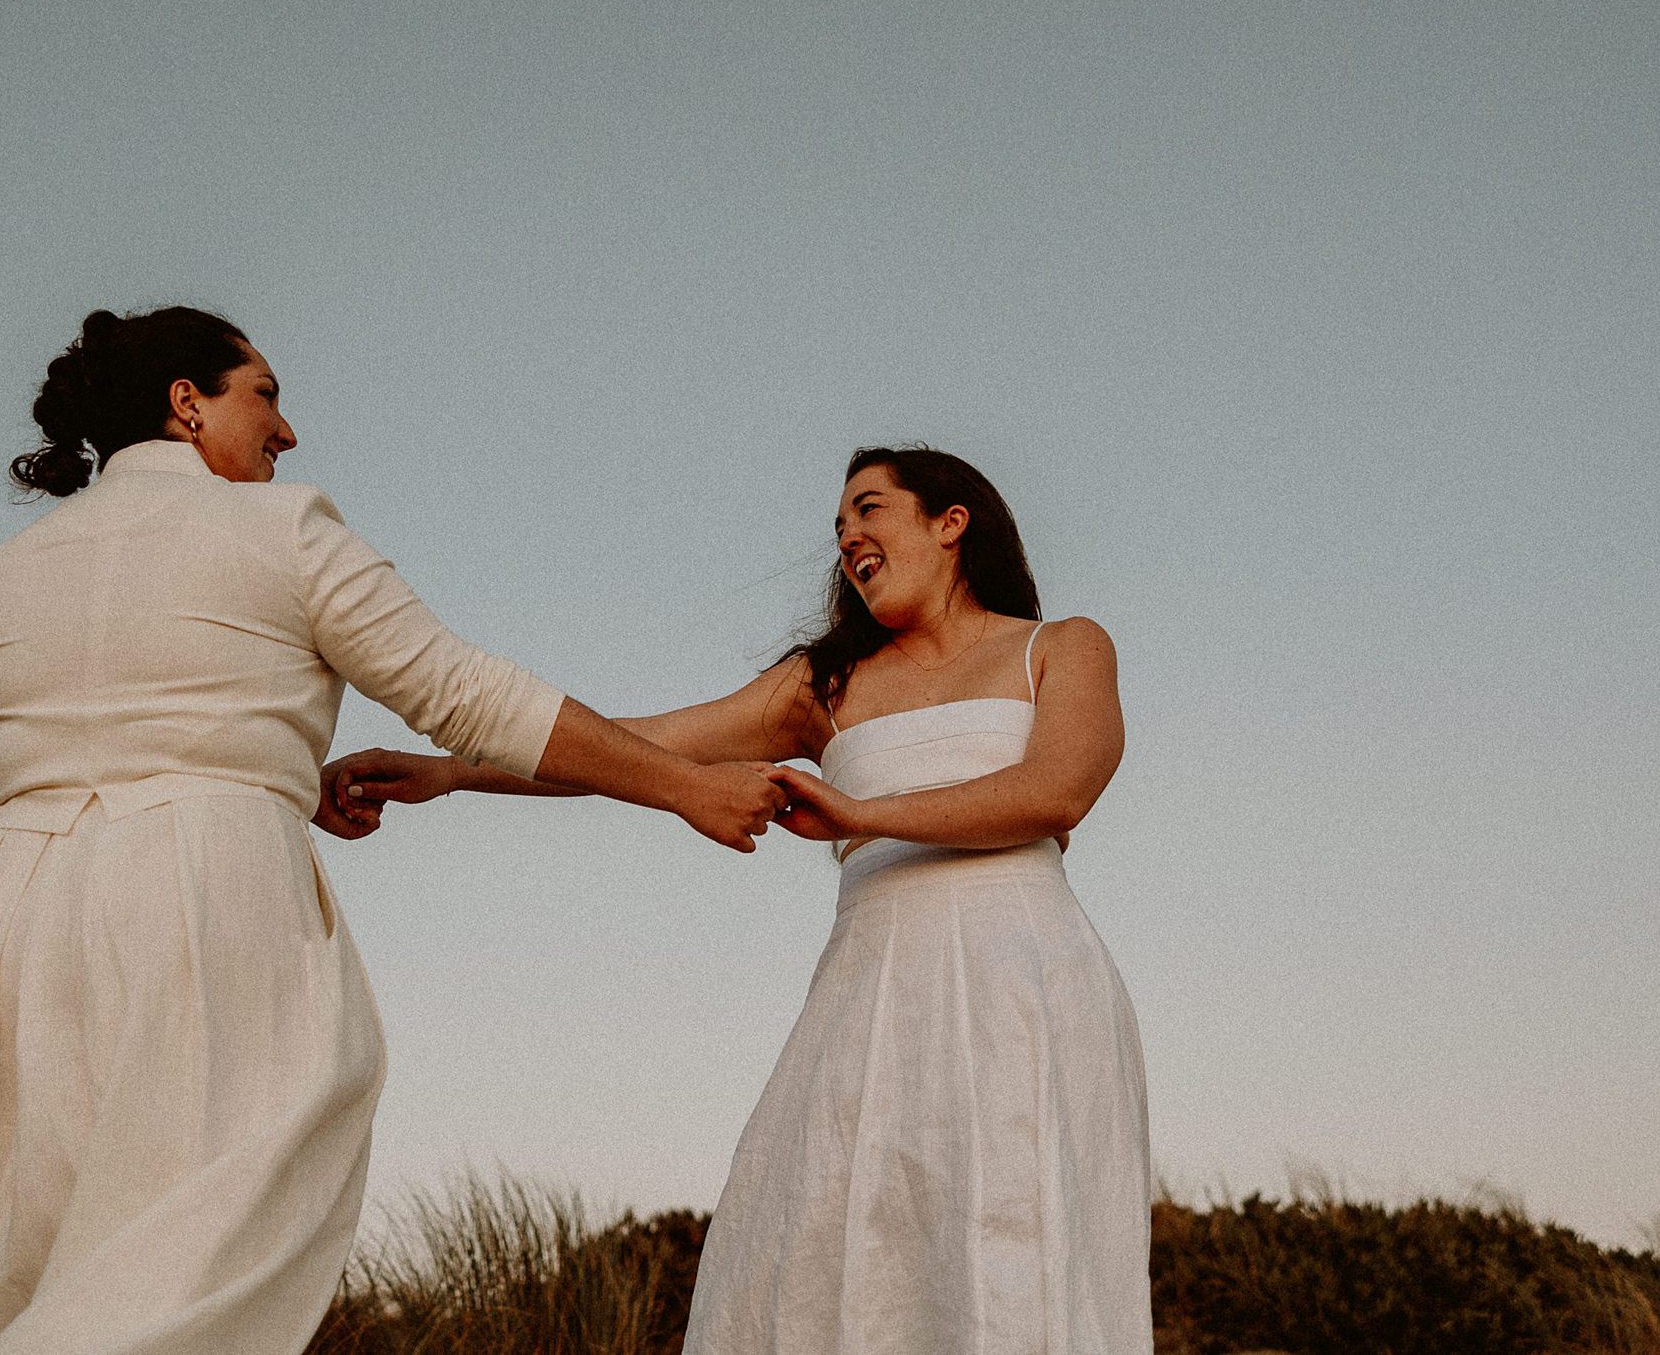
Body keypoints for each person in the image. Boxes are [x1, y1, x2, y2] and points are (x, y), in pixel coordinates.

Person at [0, 306, 782, 1355]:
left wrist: (275, 773)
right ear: (187, 403)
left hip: (10, 922)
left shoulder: (9, 568)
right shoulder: (283, 527)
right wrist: (682, 785)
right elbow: (469, 695)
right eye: (264, 392)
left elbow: (108, 735)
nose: (287, 430)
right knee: (182, 1274)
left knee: (47, 1261)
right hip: (201, 911)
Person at [323, 445, 1150, 1352]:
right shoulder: (823, 685)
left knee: (1018, 1256)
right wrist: (448, 771)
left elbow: (1057, 790)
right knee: (823, 1257)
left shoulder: (1062, 645)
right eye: (838, 527)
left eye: (870, 510)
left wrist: (864, 811)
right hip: (871, 996)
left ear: (951, 522)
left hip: (1025, 980)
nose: (848, 538)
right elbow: (637, 744)